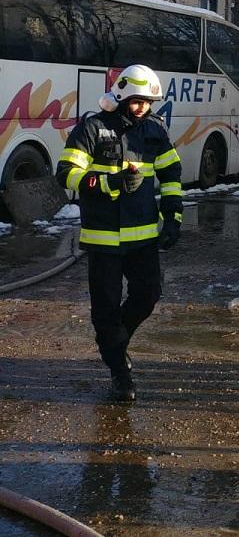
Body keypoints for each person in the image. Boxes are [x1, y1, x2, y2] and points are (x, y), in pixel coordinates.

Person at [56, 64, 183, 402]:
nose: (142, 107)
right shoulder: (93, 128)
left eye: (148, 101)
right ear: (123, 95)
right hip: (103, 238)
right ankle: (120, 373)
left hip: (143, 237)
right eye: (137, 101)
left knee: (148, 295)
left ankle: (115, 342)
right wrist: (108, 183)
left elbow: (171, 173)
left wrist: (173, 217)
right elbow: (66, 173)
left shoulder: (154, 130)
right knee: (105, 309)